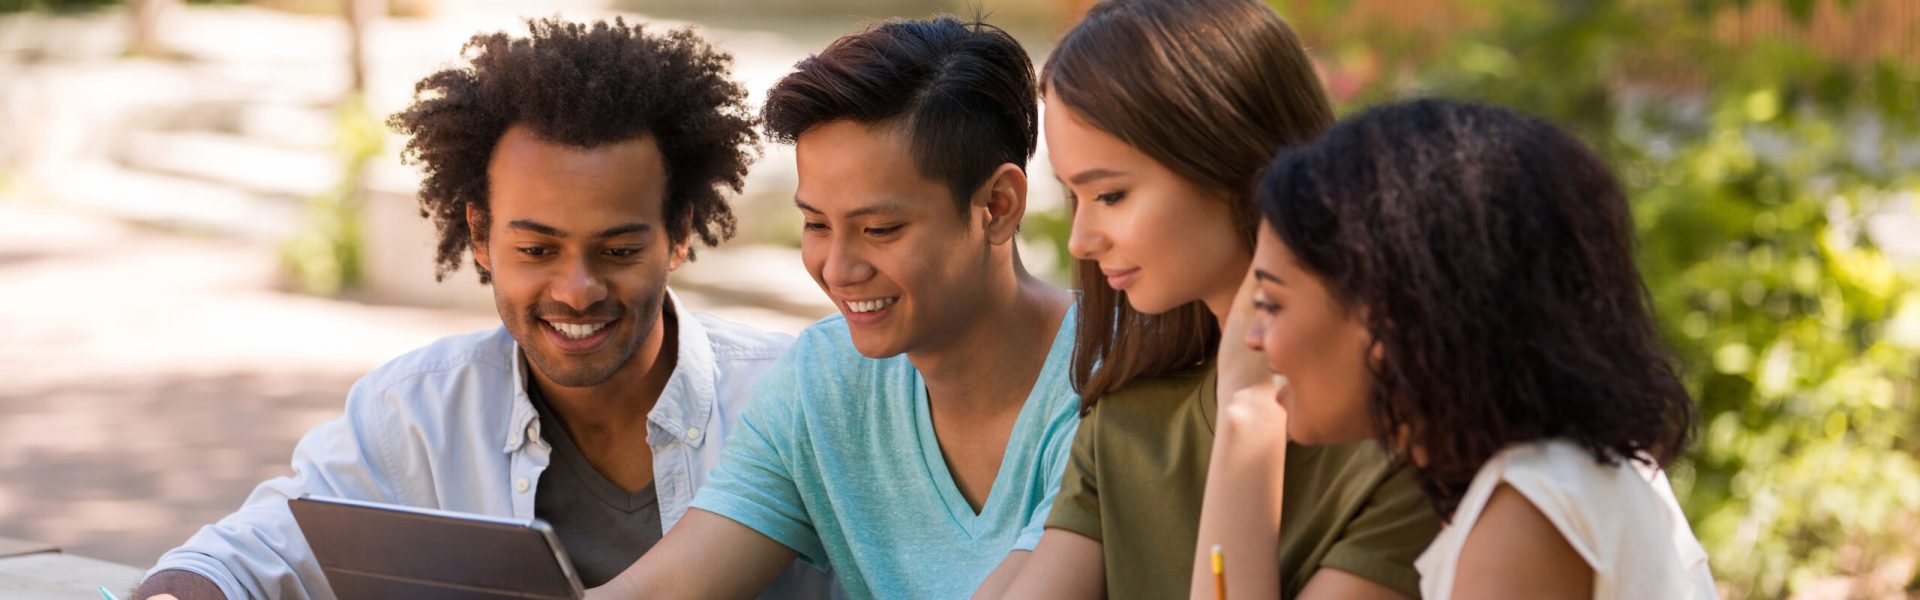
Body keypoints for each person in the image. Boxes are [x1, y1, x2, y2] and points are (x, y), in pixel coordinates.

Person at [133, 18, 828, 599]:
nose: (577, 289)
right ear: (481, 236)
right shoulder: (415, 412)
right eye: (536, 250)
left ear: (677, 235)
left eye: (616, 251)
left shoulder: (791, 400)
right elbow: (251, 554)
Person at [592, 15, 1080, 600]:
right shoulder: (823, 379)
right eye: (815, 224)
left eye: (880, 228)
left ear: (997, 207)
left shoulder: (1110, 376)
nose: (838, 268)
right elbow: (665, 586)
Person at [976, 1, 1440, 598]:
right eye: (1074, 196)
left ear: (1236, 164)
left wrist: (1249, 414)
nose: (1081, 241)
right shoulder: (1124, 429)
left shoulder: (1405, 450)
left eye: (1111, 195)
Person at [1238, 98, 1715, 598]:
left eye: (1272, 303)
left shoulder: (1527, 514)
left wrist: (1239, 411)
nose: (1252, 338)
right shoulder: (1559, 480)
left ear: (1386, 315)